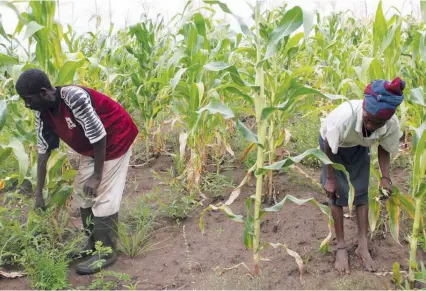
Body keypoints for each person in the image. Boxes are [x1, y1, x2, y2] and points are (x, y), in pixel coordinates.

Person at [15, 68, 139, 275]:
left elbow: (99, 135)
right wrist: (38, 194)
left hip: (116, 138)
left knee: (103, 195)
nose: (27, 105)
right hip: (93, 148)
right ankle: (92, 245)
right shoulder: (42, 114)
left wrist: (97, 176)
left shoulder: (74, 98)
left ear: (44, 93)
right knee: (82, 192)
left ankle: (106, 252)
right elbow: (44, 152)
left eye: (28, 99)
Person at [319, 77, 405, 274]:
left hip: (358, 146)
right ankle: (341, 246)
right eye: (368, 119)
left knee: (361, 193)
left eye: (378, 122)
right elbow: (327, 147)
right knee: (337, 193)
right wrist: (331, 177)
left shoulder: (390, 123)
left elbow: (384, 147)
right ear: (364, 107)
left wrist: (385, 177)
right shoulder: (344, 118)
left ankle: (362, 245)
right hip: (332, 147)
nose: (372, 125)